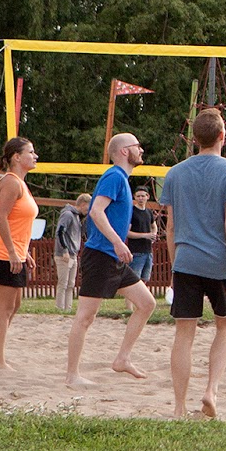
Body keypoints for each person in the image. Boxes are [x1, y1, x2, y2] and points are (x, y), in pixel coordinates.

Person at [160, 108, 226, 418]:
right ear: (223, 136)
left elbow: (170, 228)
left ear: (194, 139)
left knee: (184, 334)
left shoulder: (175, 173)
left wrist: (175, 266)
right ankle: (211, 391)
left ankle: (179, 408)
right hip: (219, 262)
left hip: (186, 260)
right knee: (225, 326)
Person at [65, 132, 156, 387]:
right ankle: (72, 375)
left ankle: (122, 359)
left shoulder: (123, 180)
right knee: (85, 317)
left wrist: (118, 244)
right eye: (137, 146)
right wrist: (117, 242)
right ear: (125, 151)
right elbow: (96, 211)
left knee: (147, 303)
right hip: (100, 255)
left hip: (113, 257)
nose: (141, 150)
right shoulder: (114, 176)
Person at [0, 137, 40, 369]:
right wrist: (13, 252)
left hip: (13, 251)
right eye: (30, 152)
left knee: (14, 305)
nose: (35, 156)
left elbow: (17, 222)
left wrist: (24, 252)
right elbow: (1, 218)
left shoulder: (20, 183)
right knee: (4, 307)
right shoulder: (11, 182)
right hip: (0, 251)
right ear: (16, 157)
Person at [53, 193, 91, 312]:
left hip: (73, 253)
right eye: (88, 207)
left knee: (71, 283)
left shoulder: (77, 217)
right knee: (63, 283)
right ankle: (59, 307)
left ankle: (68, 308)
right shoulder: (68, 214)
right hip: (65, 254)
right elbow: (60, 232)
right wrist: (64, 250)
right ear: (83, 204)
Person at [127, 188, 158, 285]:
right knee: (134, 281)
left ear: (147, 197)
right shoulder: (131, 212)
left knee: (144, 280)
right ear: (134, 197)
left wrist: (153, 235)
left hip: (148, 251)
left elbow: (154, 226)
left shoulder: (149, 212)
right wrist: (145, 235)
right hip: (136, 251)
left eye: (143, 196)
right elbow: (127, 232)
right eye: (138, 196)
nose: (140, 198)